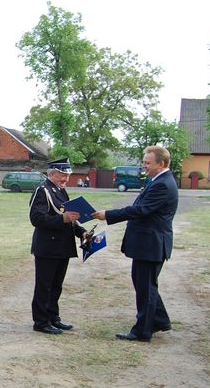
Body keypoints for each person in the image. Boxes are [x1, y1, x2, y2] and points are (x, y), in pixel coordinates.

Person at [92, 146, 177, 342]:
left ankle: (142, 331)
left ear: (161, 163)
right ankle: (160, 320)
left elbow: (140, 210)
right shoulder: (158, 180)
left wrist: (109, 215)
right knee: (146, 284)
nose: (144, 166)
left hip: (151, 244)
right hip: (148, 244)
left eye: (148, 163)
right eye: (144, 162)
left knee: (145, 288)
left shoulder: (162, 184)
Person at [29, 158, 88, 335]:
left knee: (56, 286)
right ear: (52, 173)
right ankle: (40, 321)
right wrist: (62, 219)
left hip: (62, 247)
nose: (66, 179)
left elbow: (71, 218)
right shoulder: (42, 191)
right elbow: (36, 219)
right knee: (44, 286)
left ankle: (53, 317)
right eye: (63, 175)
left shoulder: (61, 191)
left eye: (67, 176)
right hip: (48, 247)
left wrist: (82, 232)